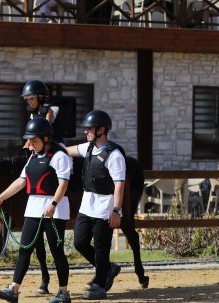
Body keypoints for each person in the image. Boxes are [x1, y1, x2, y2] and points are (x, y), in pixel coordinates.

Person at [0, 118, 72, 303]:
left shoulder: (59, 156)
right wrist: (1, 197)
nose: (30, 144)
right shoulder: (32, 157)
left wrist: (53, 204)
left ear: (45, 139)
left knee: (56, 251)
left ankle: (63, 292)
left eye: (34, 140)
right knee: (24, 249)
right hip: (34, 208)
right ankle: (13, 290)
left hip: (54, 210)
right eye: (29, 140)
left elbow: (63, 184)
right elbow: (21, 181)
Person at [62, 110, 123, 300]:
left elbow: (119, 185)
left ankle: (99, 284)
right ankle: (108, 268)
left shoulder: (114, 155)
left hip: (105, 207)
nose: (85, 131)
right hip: (87, 205)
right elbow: (66, 151)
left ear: (101, 130)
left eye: (89, 128)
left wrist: (116, 210)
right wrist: (44, 145)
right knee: (79, 242)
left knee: (101, 248)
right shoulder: (87, 148)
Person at [21, 80, 64, 146]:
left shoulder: (49, 110)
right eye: (27, 99)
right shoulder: (33, 114)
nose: (29, 102)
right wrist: (27, 144)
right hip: (41, 146)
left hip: (56, 145)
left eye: (32, 99)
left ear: (40, 97)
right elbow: (31, 134)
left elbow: (46, 130)